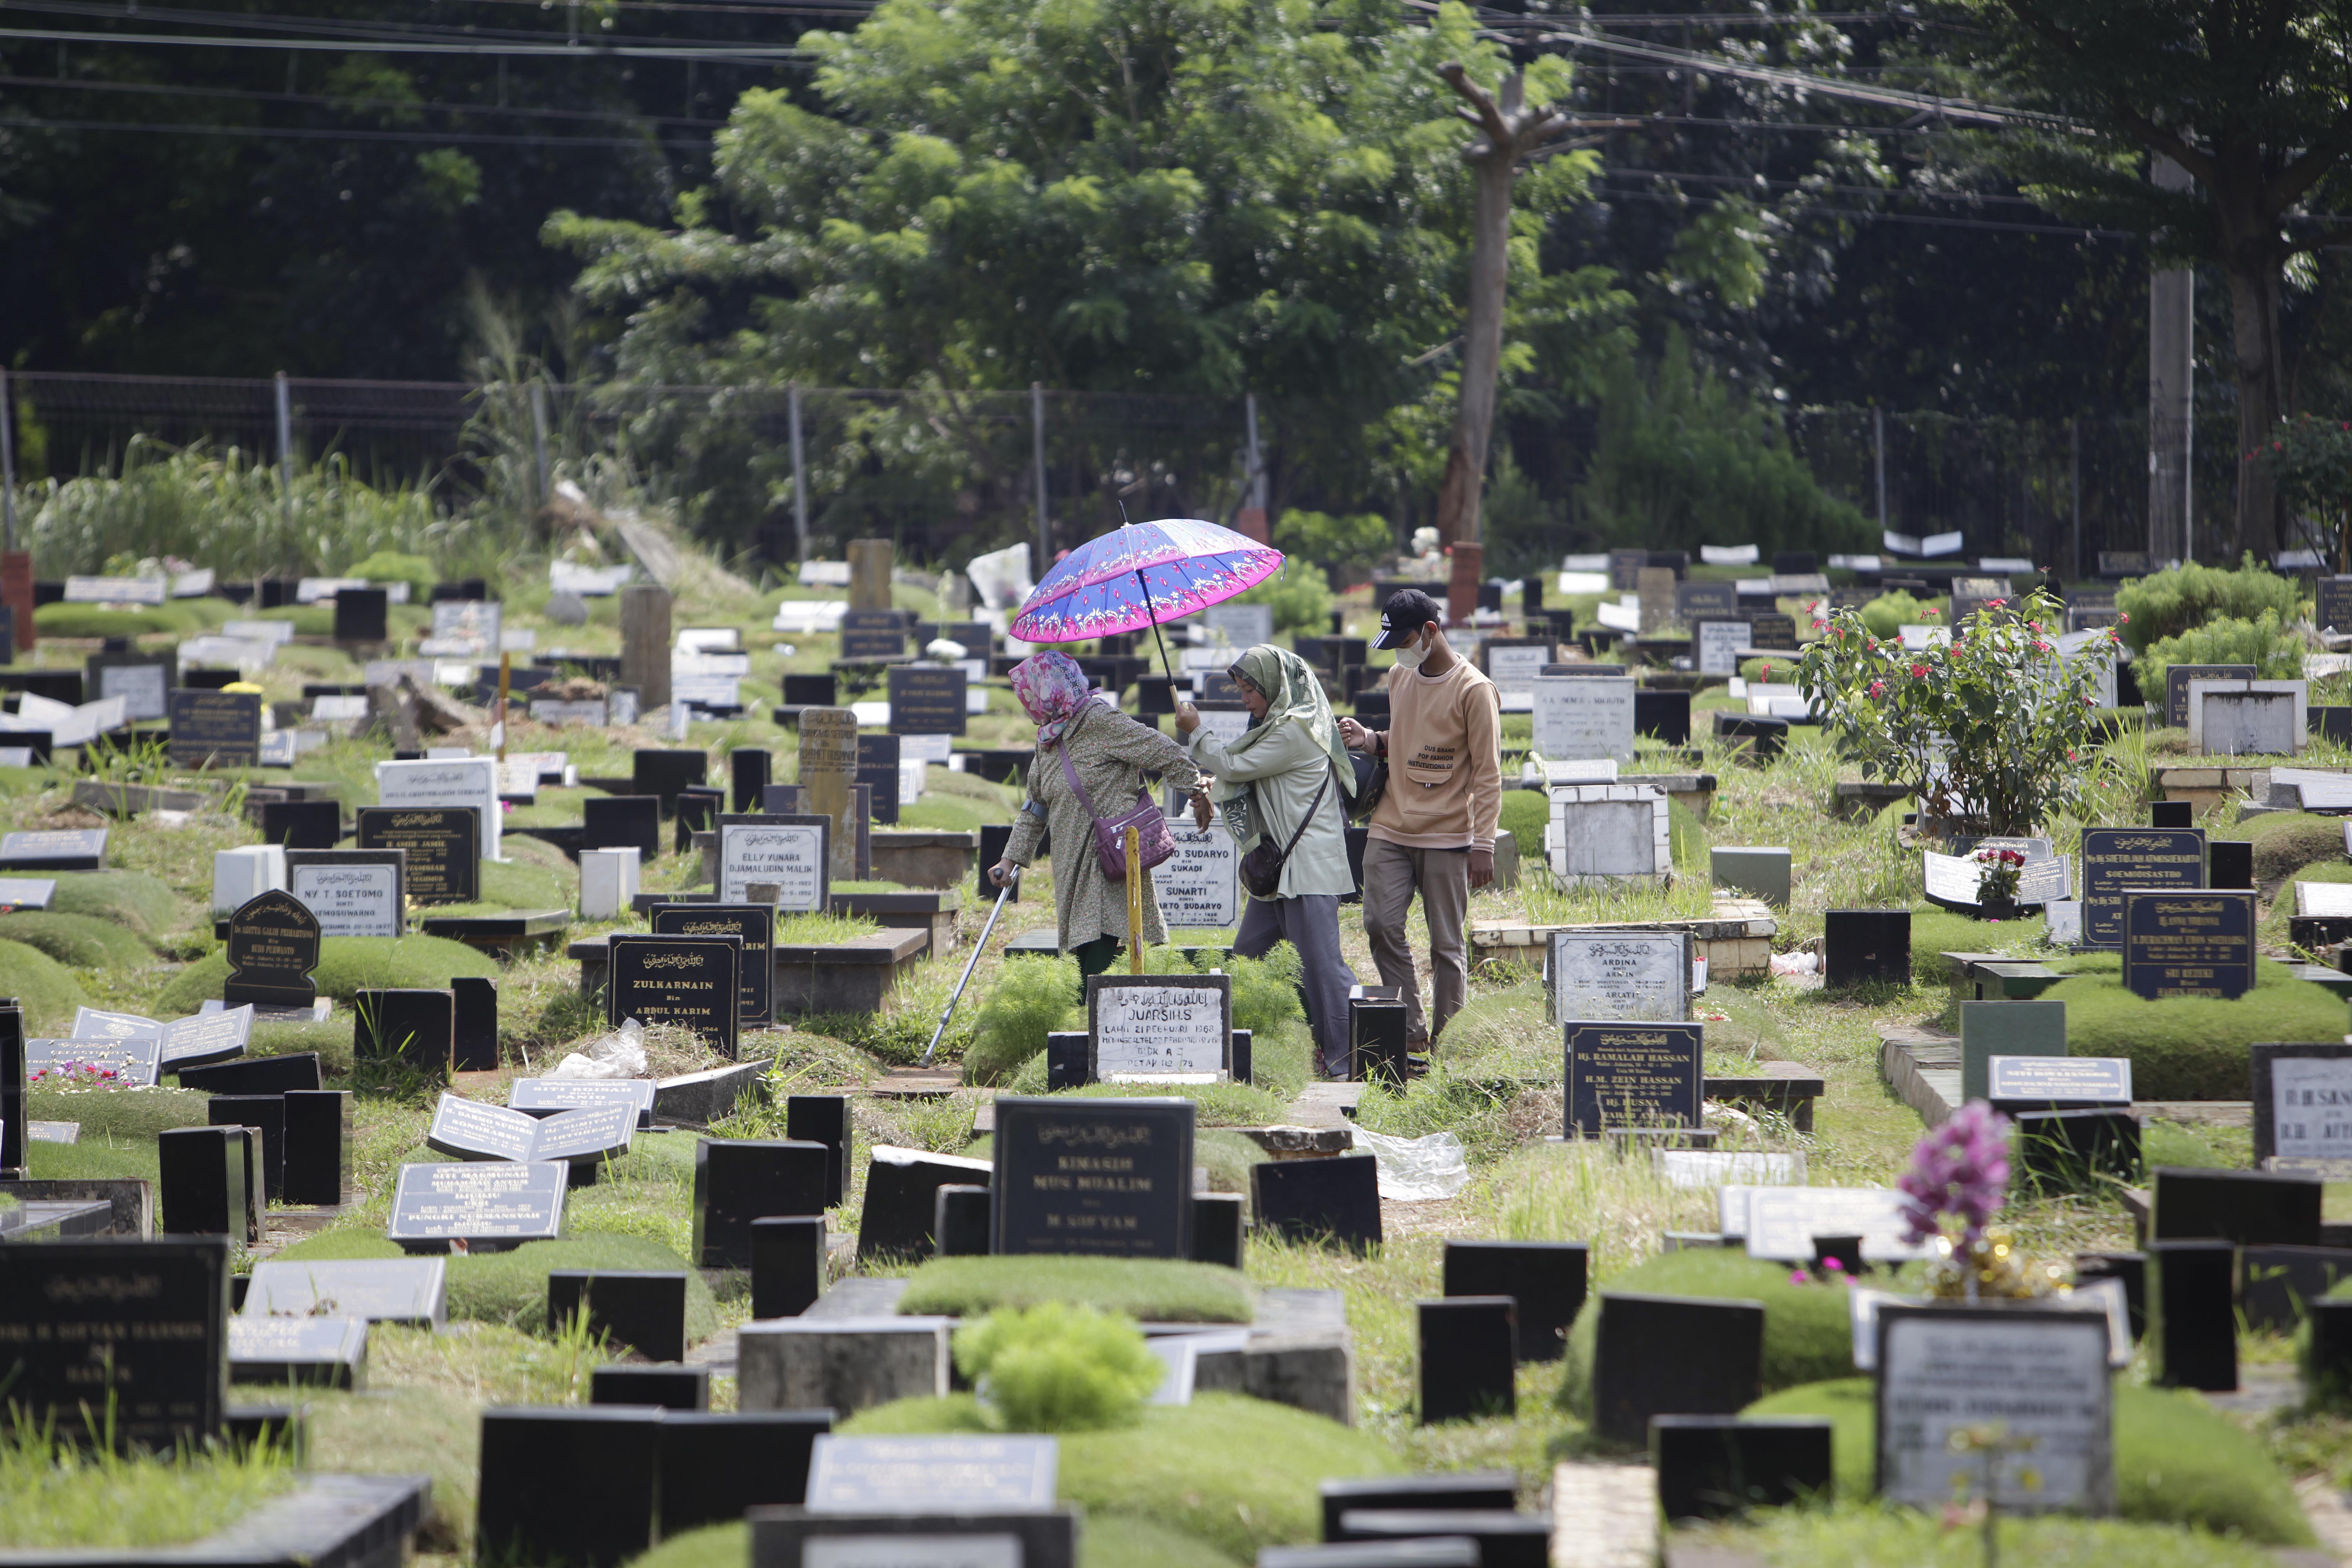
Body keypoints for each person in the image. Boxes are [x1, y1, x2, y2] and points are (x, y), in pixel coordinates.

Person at [1175, 645, 1360, 1077]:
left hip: (1307, 869)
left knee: (1320, 966)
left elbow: (1234, 765)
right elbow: (1241, 775)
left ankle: (1346, 1058)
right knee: (1249, 956)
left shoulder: (1295, 730)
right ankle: (1261, 1045)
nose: (1245, 700)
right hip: (1279, 870)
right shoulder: (1273, 726)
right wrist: (1205, 790)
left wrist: (1195, 729)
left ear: (1275, 689)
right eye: (1240, 691)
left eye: (1249, 691)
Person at [1337, 588, 1501, 1049]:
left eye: (1404, 642)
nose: (1399, 655)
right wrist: (1370, 739)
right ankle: (1409, 1033)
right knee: (1380, 925)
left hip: (1448, 836)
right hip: (1390, 826)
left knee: (1447, 947)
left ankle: (1450, 1045)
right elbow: (1405, 737)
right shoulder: (1400, 677)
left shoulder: (1475, 690)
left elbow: (1489, 775)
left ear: (1430, 632)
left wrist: (1484, 844)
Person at [989, 649, 1211, 975]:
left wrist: (1196, 790)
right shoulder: (1049, 737)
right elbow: (1036, 806)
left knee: (1102, 961)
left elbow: (1161, 750)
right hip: (1070, 867)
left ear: (1050, 691)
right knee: (1084, 962)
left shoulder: (1098, 720)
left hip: (1110, 859)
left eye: (1031, 693)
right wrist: (1010, 859)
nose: (1028, 704)